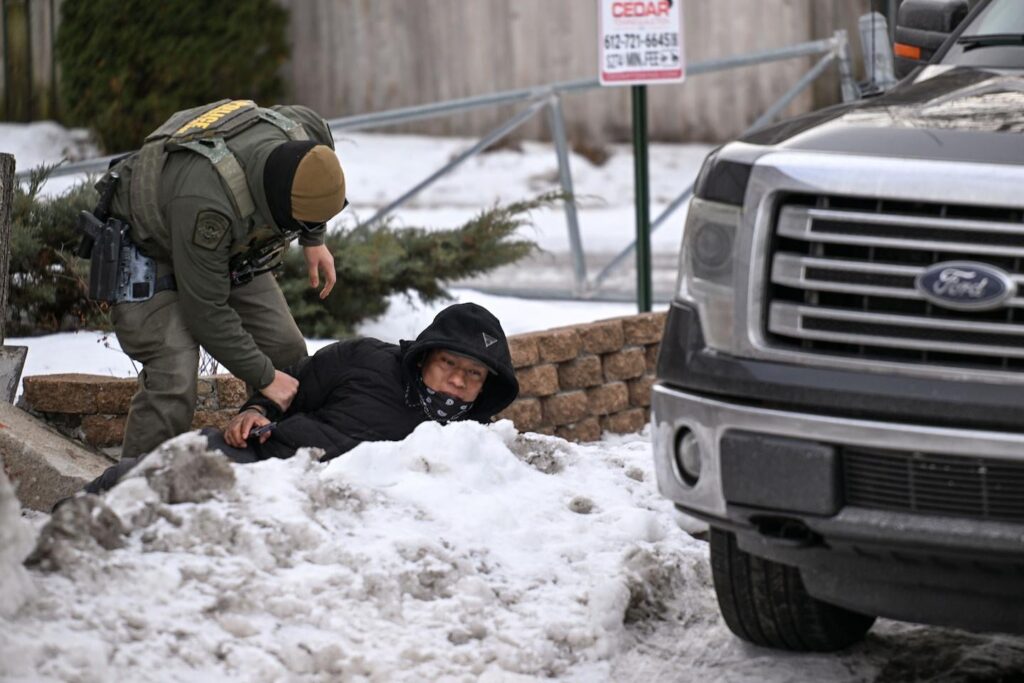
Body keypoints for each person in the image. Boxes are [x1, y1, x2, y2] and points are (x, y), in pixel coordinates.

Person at [89, 99, 348, 461]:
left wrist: (313, 239)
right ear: (275, 204)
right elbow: (206, 311)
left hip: (224, 247)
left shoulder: (303, 130)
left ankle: (275, 463)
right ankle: (133, 488)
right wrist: (266, 379)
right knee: (174, 375)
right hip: (145, 244)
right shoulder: (209, 205)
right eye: (297, 224)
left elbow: (314, 166)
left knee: (286, 353)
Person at [83, 302, 519, 493]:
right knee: (147, 476)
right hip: (261, 457)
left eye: (474, 374)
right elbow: (292, 382)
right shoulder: (365, 358)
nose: (459, 382)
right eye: (450, 364)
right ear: (425, 357)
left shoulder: (468, 442)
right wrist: (256, 409)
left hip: (315, 503)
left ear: (485, 386)